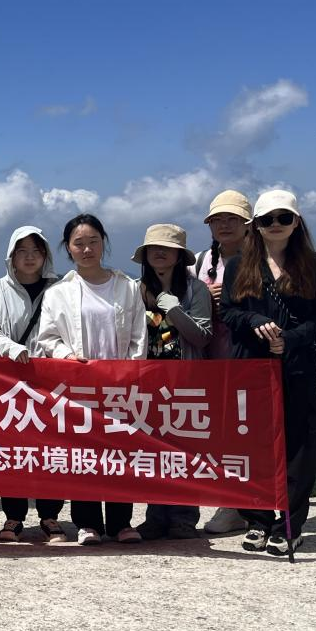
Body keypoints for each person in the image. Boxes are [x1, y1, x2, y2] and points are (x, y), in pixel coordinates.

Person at [223, 189, 316, 556]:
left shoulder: (312, 265)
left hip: (297, 367)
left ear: (296, 222)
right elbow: (229, 312)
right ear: (256, 225)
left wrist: (291, 340)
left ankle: (289, 524)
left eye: (283, 217)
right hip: (250, 368)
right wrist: (255, 320)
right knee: (251, 444)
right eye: (267, 219)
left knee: (299, 446)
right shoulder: (239, 265)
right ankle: (257, 519)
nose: (275, 225)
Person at [35, 214, 147, 547]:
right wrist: (67, 357)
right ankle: (87, 523)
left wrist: (130, 371)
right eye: (79, 243)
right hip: (79, 384)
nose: (87, 249)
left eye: (93, 242)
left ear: (104, 242)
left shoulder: (127, 287)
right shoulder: (58, 292)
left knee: (119, 451)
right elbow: (47, 337)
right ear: (68, 248)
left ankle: (121, 522)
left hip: (119, 384)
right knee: (83, 453)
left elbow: (139, 335)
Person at [0, 226, 66, 544]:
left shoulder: (59, 288)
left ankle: (50, 516)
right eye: (22, 251)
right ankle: (13, 517)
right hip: (10, 381)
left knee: (51, 449)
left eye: (36, 251)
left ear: (45, 255)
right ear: (11, 256)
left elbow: (67, 327)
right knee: (12, 450)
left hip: (50, 380)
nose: (29, 258)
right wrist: (11, 348)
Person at [131, 224, 213, 540]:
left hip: (186, 383)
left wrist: (175, 310)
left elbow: (202, 337)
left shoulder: (196, 290)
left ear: (179, 256)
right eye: (153, 248)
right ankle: (156, 516)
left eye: (167, 249)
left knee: (185, 450)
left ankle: (183, 518)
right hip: (147, 384)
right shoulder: (135, 291)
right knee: (152, 450)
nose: (159, 253)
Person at [194, 191, 254, 535]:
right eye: (218, 220)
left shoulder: (263, 260)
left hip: (251, 359)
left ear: (248, 224)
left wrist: (232, 298)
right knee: (221, 434)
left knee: (249, 433)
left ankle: (245, 504)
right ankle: (232, 503)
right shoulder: (201, 261)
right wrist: (204, 297)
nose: (225, 225)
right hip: (210, 360)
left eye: (232, 219)